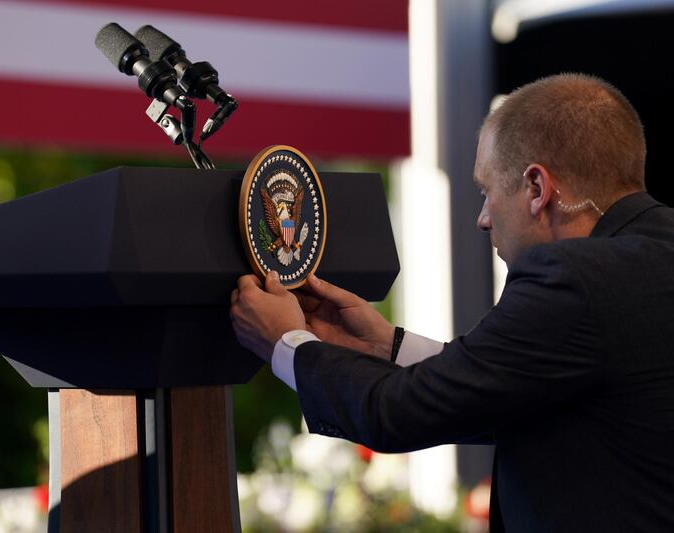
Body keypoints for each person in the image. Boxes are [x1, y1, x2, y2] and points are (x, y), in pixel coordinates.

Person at [230, 73, 674, 532]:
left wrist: (285, 342)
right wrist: (387, 346)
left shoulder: (573, 279)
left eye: (486, 192)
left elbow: (395, 414)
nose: (483, 219)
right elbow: (528, 391)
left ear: (537, 189)